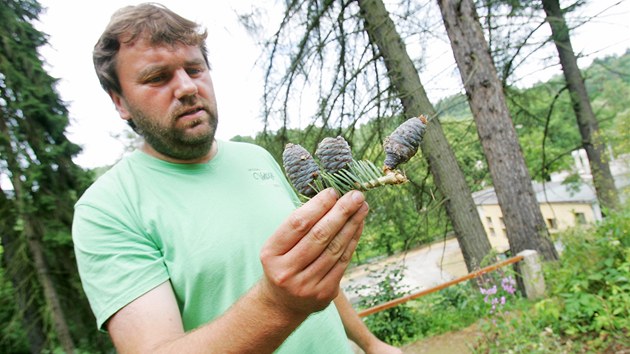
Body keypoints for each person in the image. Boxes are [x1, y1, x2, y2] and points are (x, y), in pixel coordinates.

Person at [72, 3, 402, 353]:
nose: (186, 87)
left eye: (195, 69)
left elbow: (311, 273)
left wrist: (371, 344)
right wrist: (278, 304)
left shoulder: (255, 157)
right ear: (120, 102)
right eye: (157, 77)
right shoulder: (107, 209)